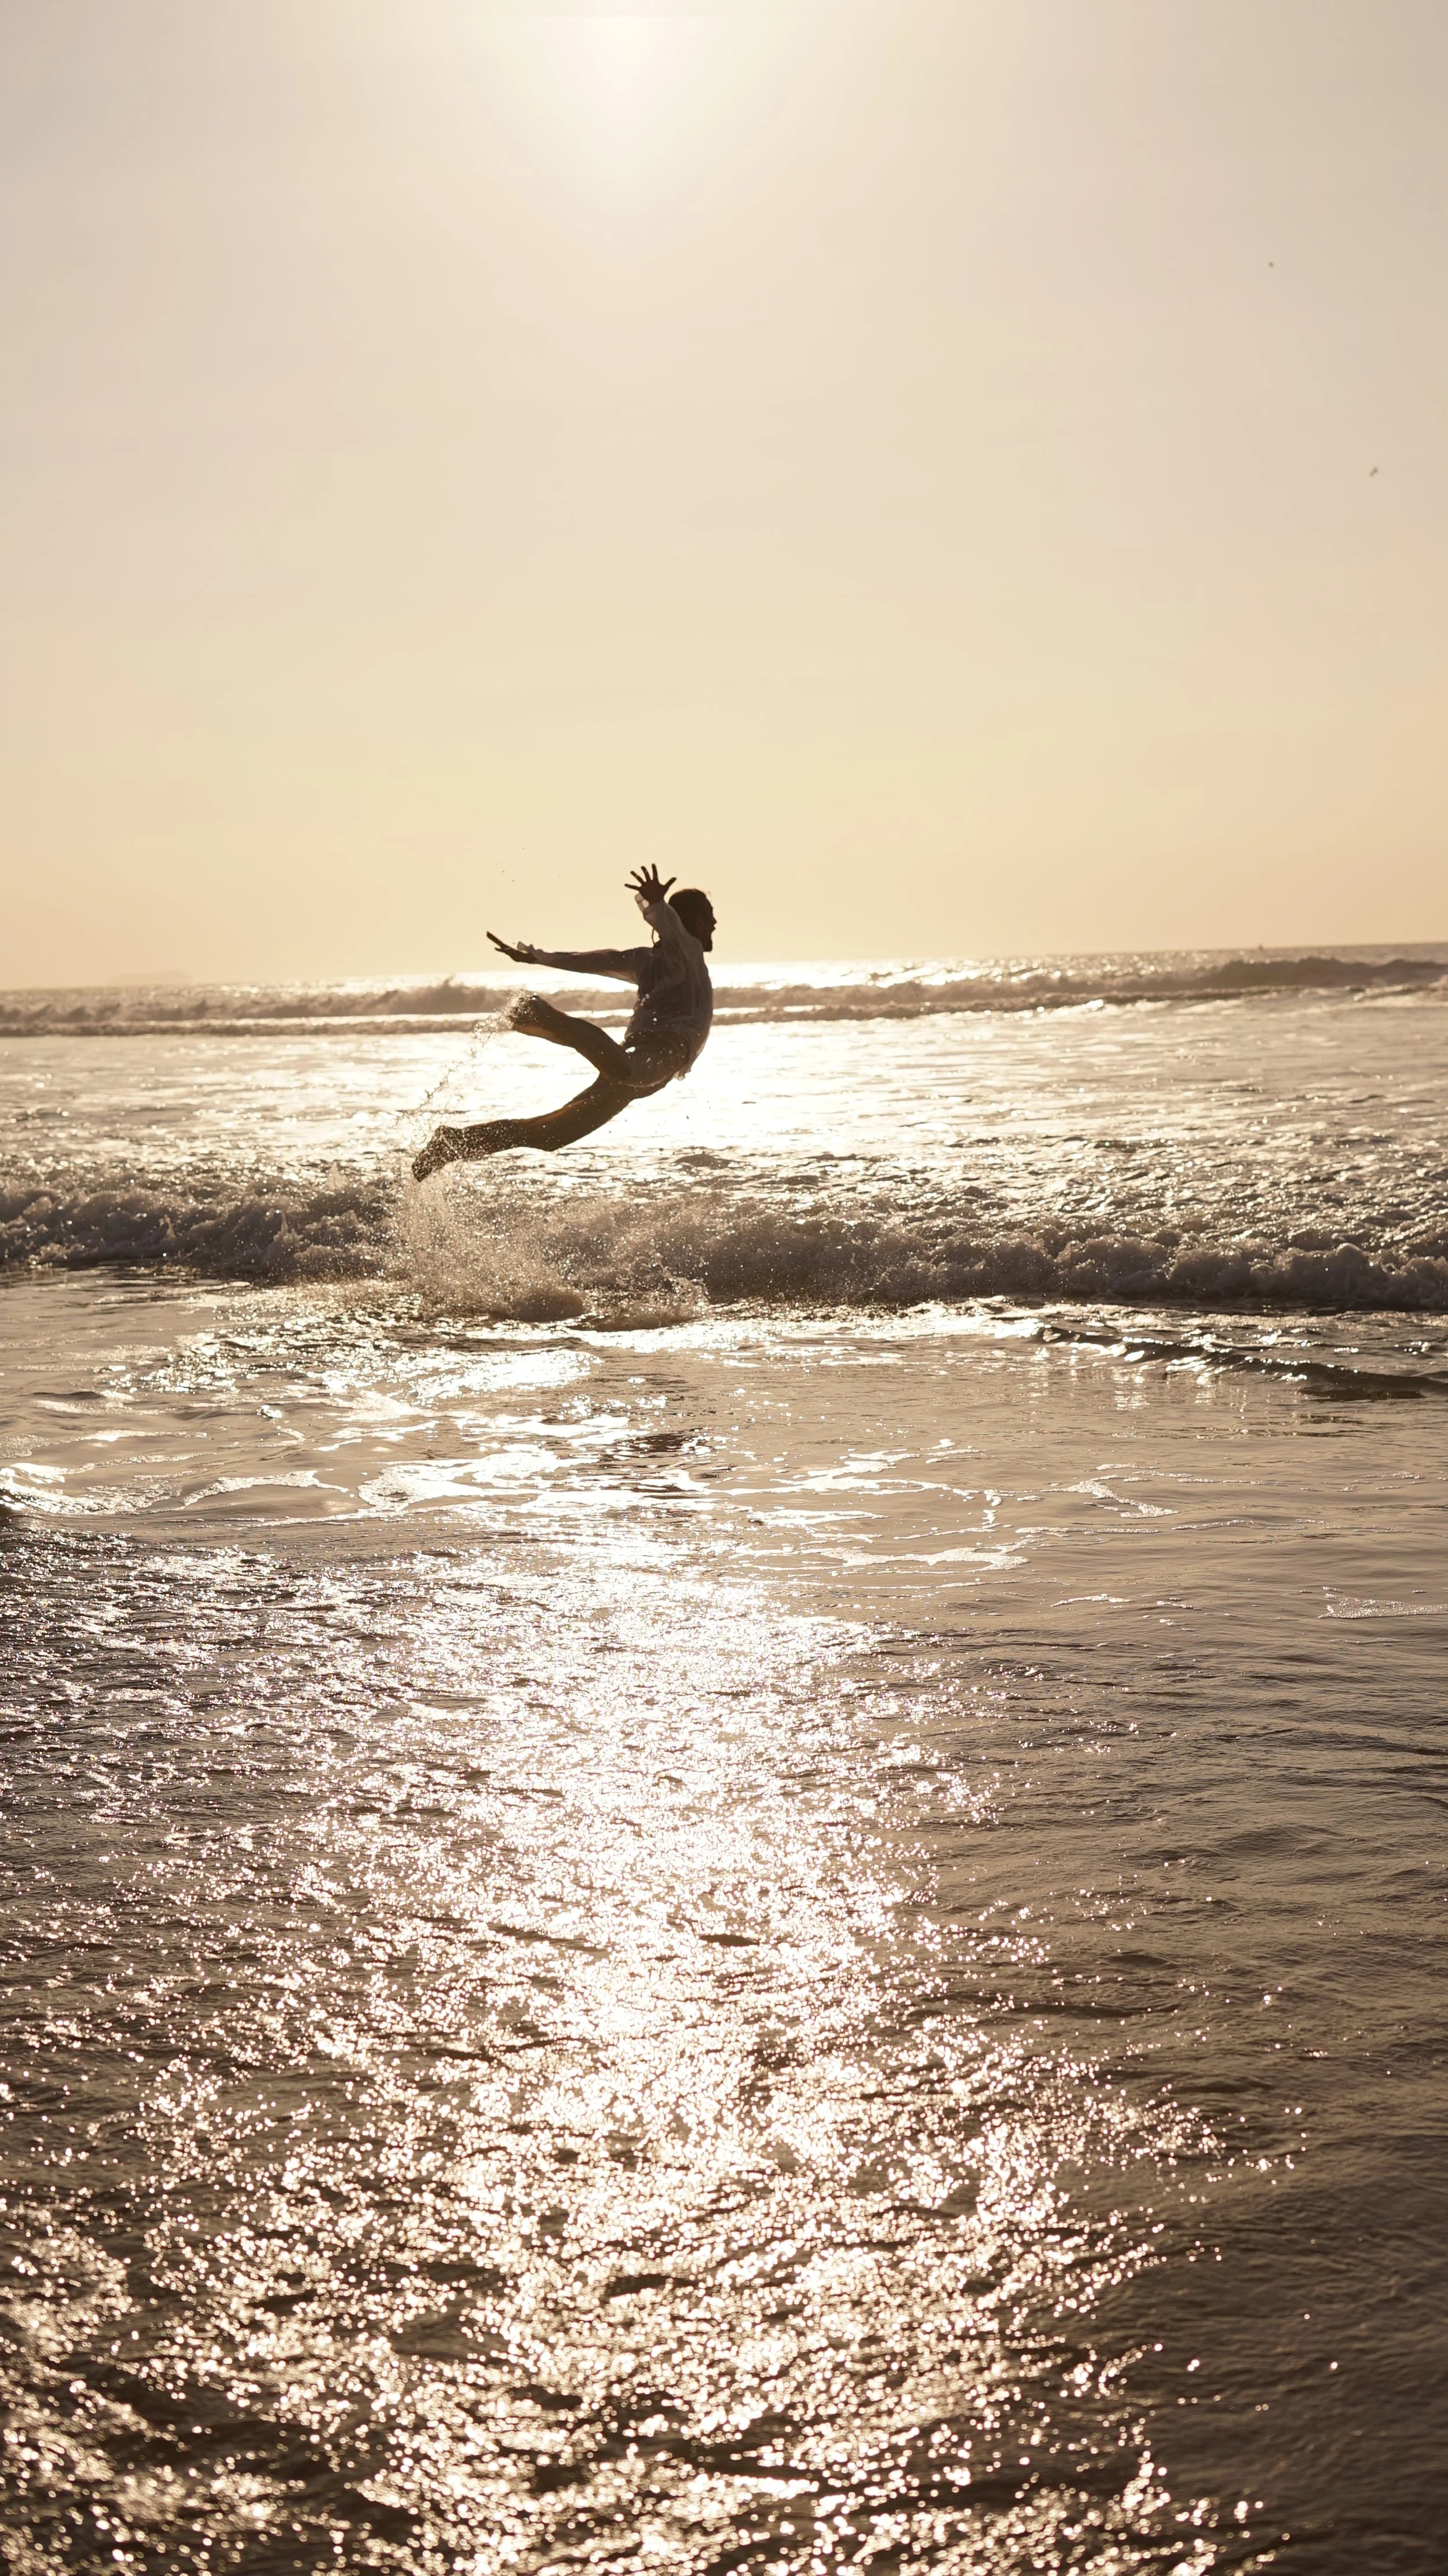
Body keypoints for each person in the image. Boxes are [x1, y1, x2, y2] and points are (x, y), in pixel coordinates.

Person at [412, 866, 715, 1180]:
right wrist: (657, 906)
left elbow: (592, 960)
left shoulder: (648, 960)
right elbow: (672, 929)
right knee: (626, 1071)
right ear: (695, 922)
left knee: (550, 1136)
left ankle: (453, 1143)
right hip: (653, 1056)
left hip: (636, 1059)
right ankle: (540, 1015)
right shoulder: (687, 949)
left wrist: (538, 957)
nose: (716, 923)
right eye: (710, 916)